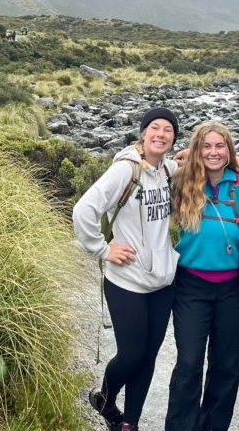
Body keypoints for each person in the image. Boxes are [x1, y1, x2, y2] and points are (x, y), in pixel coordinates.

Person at [73, 108, 182, 431]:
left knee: (148, 357)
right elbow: (84, 210)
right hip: (127, 282)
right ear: (143, 133)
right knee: (131, 355)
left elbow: (183, 164)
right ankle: (105, 398)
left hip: (162, 283)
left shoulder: (165, 169)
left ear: (174, 138)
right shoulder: (126, 170)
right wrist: (103, 249)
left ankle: (129, 423)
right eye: (155, 128)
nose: (161, 134)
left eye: (168, 130)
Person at [165, 122, 239, 431]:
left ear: (229, 150)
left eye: (220, 146)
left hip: (233, 287)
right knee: (189, 364)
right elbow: (147, 171)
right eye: (206, 146)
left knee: (226, 366)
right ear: (197, 150)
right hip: (190, 286)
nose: (213, 153)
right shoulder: (181, 180)